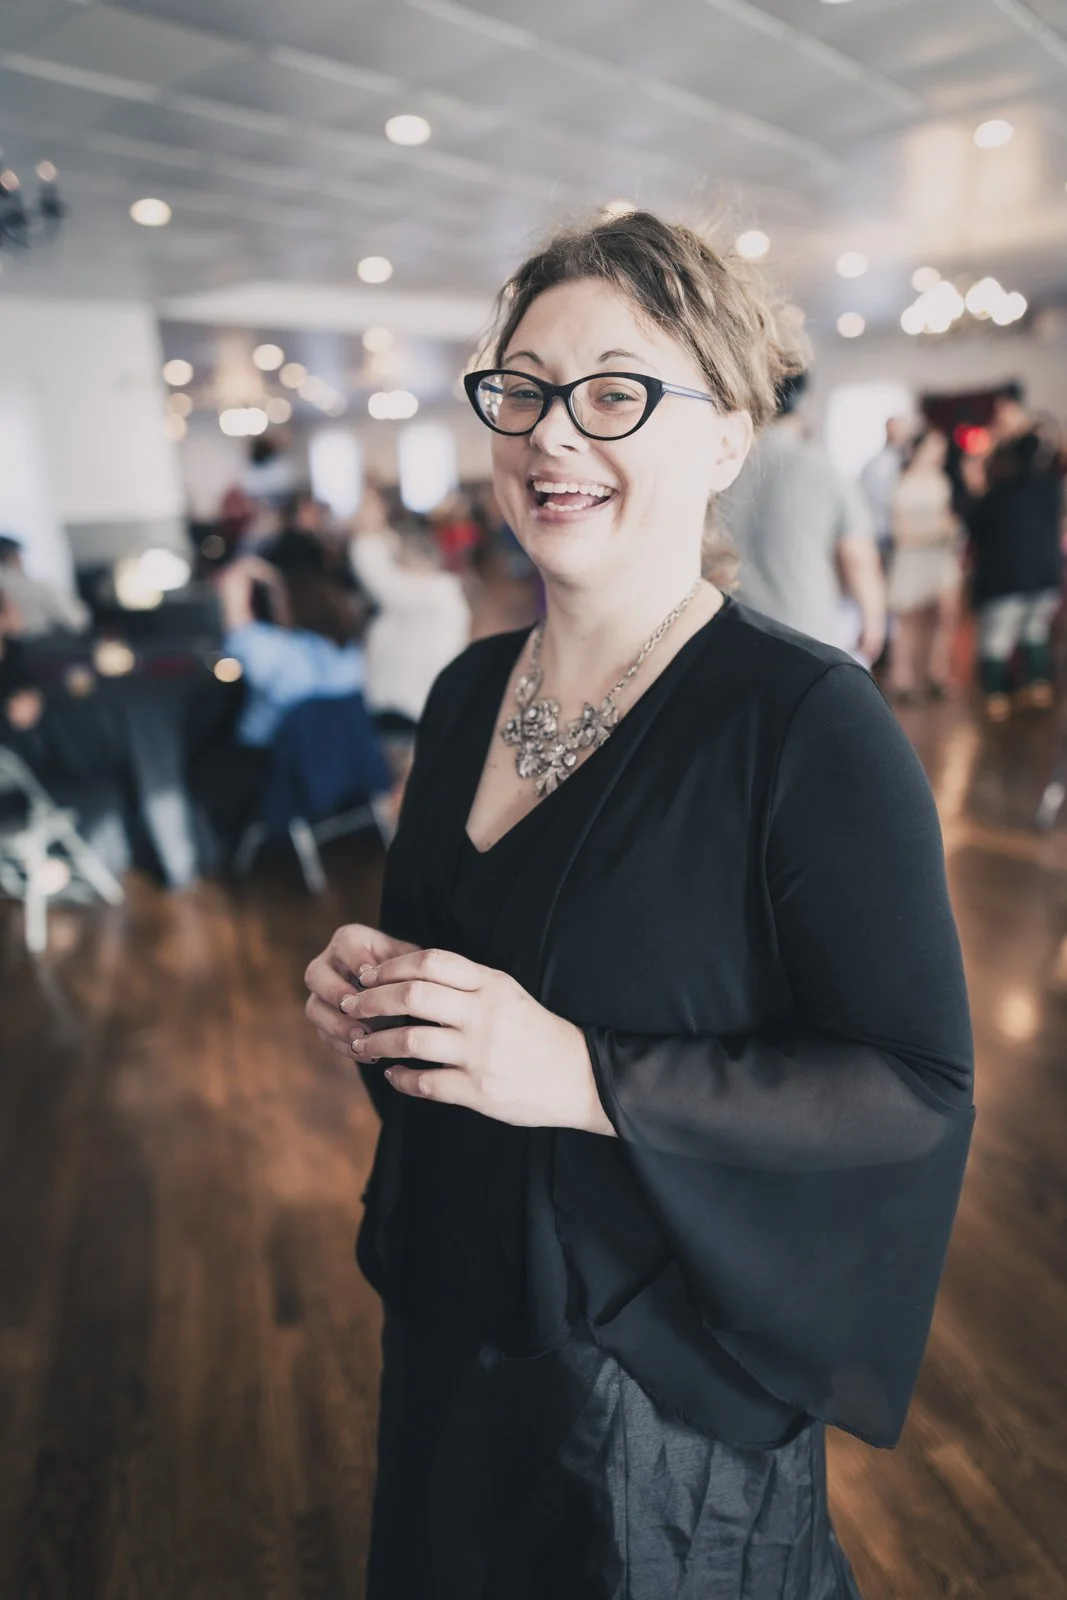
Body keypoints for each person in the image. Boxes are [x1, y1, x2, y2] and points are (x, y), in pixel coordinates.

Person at [302, 211, 974, 1600]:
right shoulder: (462, 693)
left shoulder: (801, 724)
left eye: (613, 393)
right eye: (523, 388)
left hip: (654, 1391)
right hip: (448, 1315)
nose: (551, 435)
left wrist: (585, 1074)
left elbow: (910, 1084)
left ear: (723, 434)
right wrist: (380, 995)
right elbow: (463, 989)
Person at [195, 556, 367, 854]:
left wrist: (249, 571)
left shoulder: (274, 652)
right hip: (346, 768)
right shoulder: (349, 654)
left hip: (283, 769)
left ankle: (211, 856)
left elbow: (236, 616)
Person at [717, 373, 886, 663]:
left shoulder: (720, 466)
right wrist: (873, 619)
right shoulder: (823, 469)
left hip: (725, 631)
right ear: (801, 403)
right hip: (804, 635)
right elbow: (857, 557)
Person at [966, 389, 1065, 721]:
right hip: (1044, 573)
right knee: (1034, 631)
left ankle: (996, 693)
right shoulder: (1051, 488)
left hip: (1006, 577)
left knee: (997, 637)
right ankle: (1036, 685)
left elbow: (975, 529)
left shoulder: (996, 495)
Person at [349, 488, 471, 735]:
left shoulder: (434, 595)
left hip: (412, 704)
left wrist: (365, 535)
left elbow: (382, 582)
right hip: (410, 702)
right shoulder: (428, 595)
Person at [885, 430, 963, 704]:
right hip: (913, 559)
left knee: (945, 615)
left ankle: (937, 672)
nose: (939, 454)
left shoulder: (941, 480)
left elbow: (947, 516)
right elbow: (901, 534)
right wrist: (937, 533)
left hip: (940, 558)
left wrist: (950, 528)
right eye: (934, 447)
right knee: (909, 623)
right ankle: (903, 677)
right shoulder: (904, 483)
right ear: (919, 449)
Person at [0, 535, 90, 638]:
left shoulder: (7, 589)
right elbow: (76, 620)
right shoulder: (38, 589)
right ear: (16, 557)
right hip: (43, 646)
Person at [860, 416, 911, 568]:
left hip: (889, 532)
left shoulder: (898, 459)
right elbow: (885, 500)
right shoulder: (882, 464)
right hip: (884, 533)